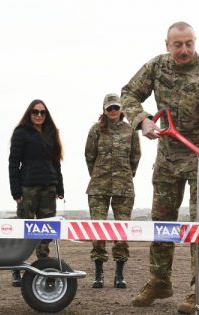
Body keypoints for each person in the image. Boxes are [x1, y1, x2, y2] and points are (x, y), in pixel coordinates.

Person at [121, 21, 199, 313]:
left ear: (195, 42)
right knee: (162, 223)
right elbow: (128, 94)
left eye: (189, 44)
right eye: (178, 44)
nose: (184, 50)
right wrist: (142, 119)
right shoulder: (157, 67)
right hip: (168, 159)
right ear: (167, 44)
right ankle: (159, 282)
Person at [85, 93, 141, 289]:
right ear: (104, 110)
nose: (113, 111)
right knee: (98, 230)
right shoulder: (96, 131)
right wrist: (98, 175)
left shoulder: (130, 131)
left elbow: (135, 157)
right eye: (109, 108)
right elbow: (89, 157)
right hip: (98, 188)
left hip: (123, 188)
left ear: (121, 109)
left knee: (121, 232)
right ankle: (99, 274)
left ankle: (119, 274)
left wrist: (125, 176)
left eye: (116, 107)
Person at [8, 99, 64, 287]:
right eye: (35, 112)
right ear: (29, 113)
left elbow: (56, 162)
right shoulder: (21, 133)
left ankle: (44, 267)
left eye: (42, 112)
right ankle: (16, 268)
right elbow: (14, 163)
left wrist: (60, 187)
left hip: (49, 188)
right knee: (23, 231)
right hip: (27, 188)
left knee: (46, 231)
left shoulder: (51, 133)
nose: (39, 115)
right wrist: (15, 190)